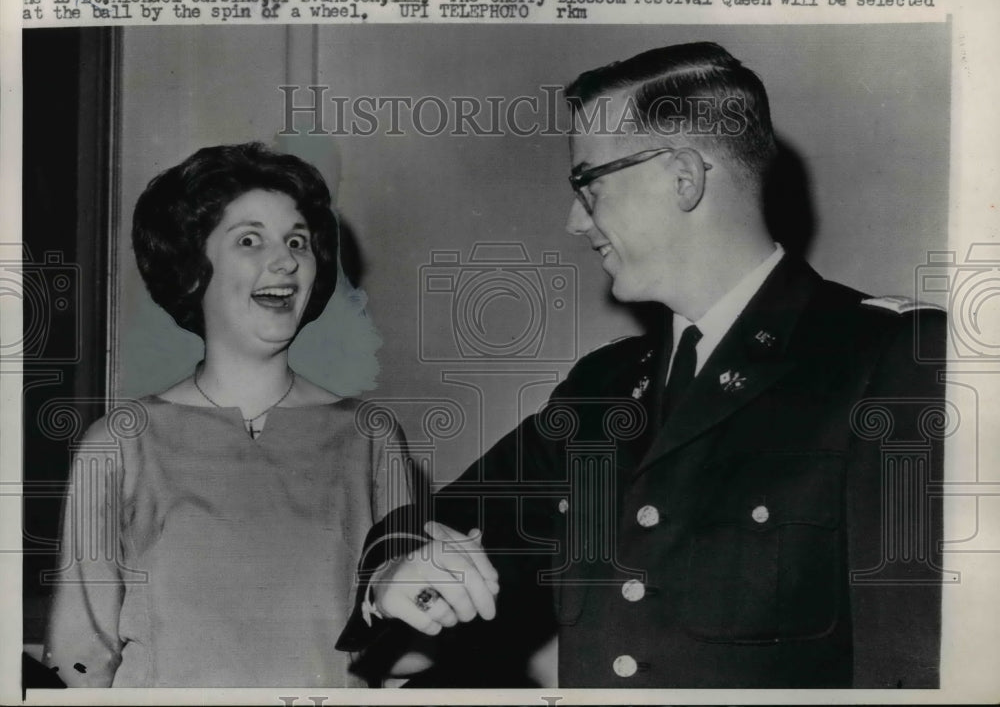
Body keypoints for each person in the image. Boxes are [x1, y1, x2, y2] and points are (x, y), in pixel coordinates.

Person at [336, 42, 948, 688]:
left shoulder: (887, 360)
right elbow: (441, 521)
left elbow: (907, 668)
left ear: (683, 177)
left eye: (588, 184)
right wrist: (391, 574)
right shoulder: (601, 390)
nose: (576, 221)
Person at [43, 142, 416, 686]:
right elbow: (80, 660)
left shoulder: (371, 439)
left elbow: (402, 650)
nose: (286, 260)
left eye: (297, 241)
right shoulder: (121, 445)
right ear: (193, 269)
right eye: (249, 239)